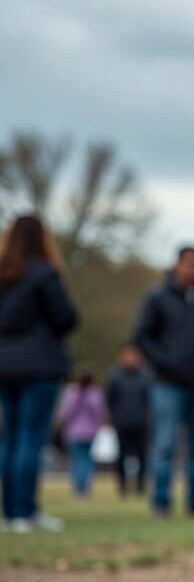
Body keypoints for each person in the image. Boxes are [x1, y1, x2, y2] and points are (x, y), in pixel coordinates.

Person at [133, 245, 194, 517]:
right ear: (176, 265)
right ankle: (161, 502)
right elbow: (142, 337)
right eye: (187, 263)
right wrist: (165, 362)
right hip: (167, 384)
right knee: (165, 444)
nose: (192, 268)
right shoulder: (157, 298)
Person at [0, 214, 77, 533]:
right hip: (39, 365)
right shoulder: (45, 273)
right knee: (31, 438)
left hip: (4, 365)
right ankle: (26, 511)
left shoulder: (3, 274)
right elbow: (66, 317)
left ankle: (11, 513)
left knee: (10, 438)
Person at [106, 344, 152, 496]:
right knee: (121, 455)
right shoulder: (115, 376)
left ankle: (140, 485)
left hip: (141, 423)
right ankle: (123, 486)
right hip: (122, 422)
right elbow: (110, 399)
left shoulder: (145, 376)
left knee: (142, 455)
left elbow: (149, 399)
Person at [56, 369, 106, 499]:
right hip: (90, 432)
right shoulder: (95, 394)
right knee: (86, 460)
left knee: (77, 461)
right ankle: (85, 488)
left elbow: (66, 412)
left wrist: (61, 425)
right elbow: (98, 413)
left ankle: (78, 489)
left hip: (73, 432)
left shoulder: (72, 392)